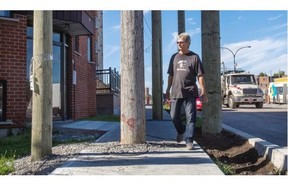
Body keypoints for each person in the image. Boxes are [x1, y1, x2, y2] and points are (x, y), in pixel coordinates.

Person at [165, 32, 206, 150]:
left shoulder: (194, 57)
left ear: (188, 43)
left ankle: (189, 140)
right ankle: (181, 130)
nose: (178, 44)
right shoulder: (174, 57)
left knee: (191, 117)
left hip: (190, 91)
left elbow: (200, 75)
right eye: (177, 42)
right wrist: (168, 89)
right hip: (176, 91)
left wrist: (203, 90)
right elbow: (171, 75)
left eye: (181, 42)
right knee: (173, 116)